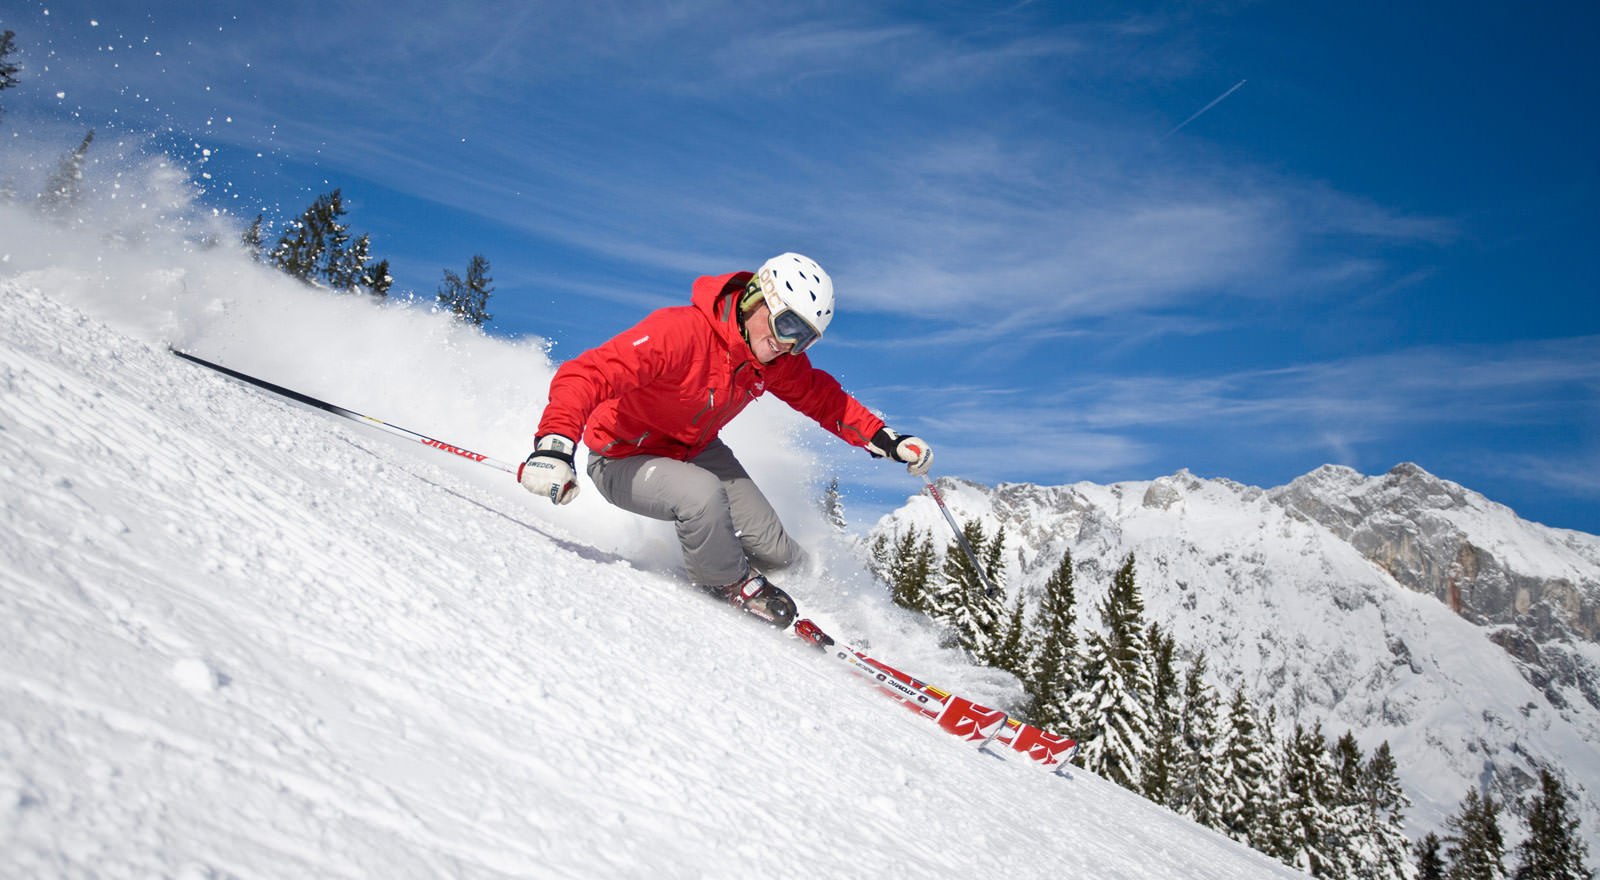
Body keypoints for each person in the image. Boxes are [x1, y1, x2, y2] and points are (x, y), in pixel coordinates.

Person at [519, 252, 932, 631]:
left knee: (777, 550)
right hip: (621, 456)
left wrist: (886, 439)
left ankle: (809, 597)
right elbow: (589, 373)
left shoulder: (772, 360)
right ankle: (728, 584)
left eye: (803, 338)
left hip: (693, 450)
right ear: (756, 297)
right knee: (701, 495)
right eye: (788, 325)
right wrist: (554, 446)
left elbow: (824, 399)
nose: (788, 345)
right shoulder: (680, 332)